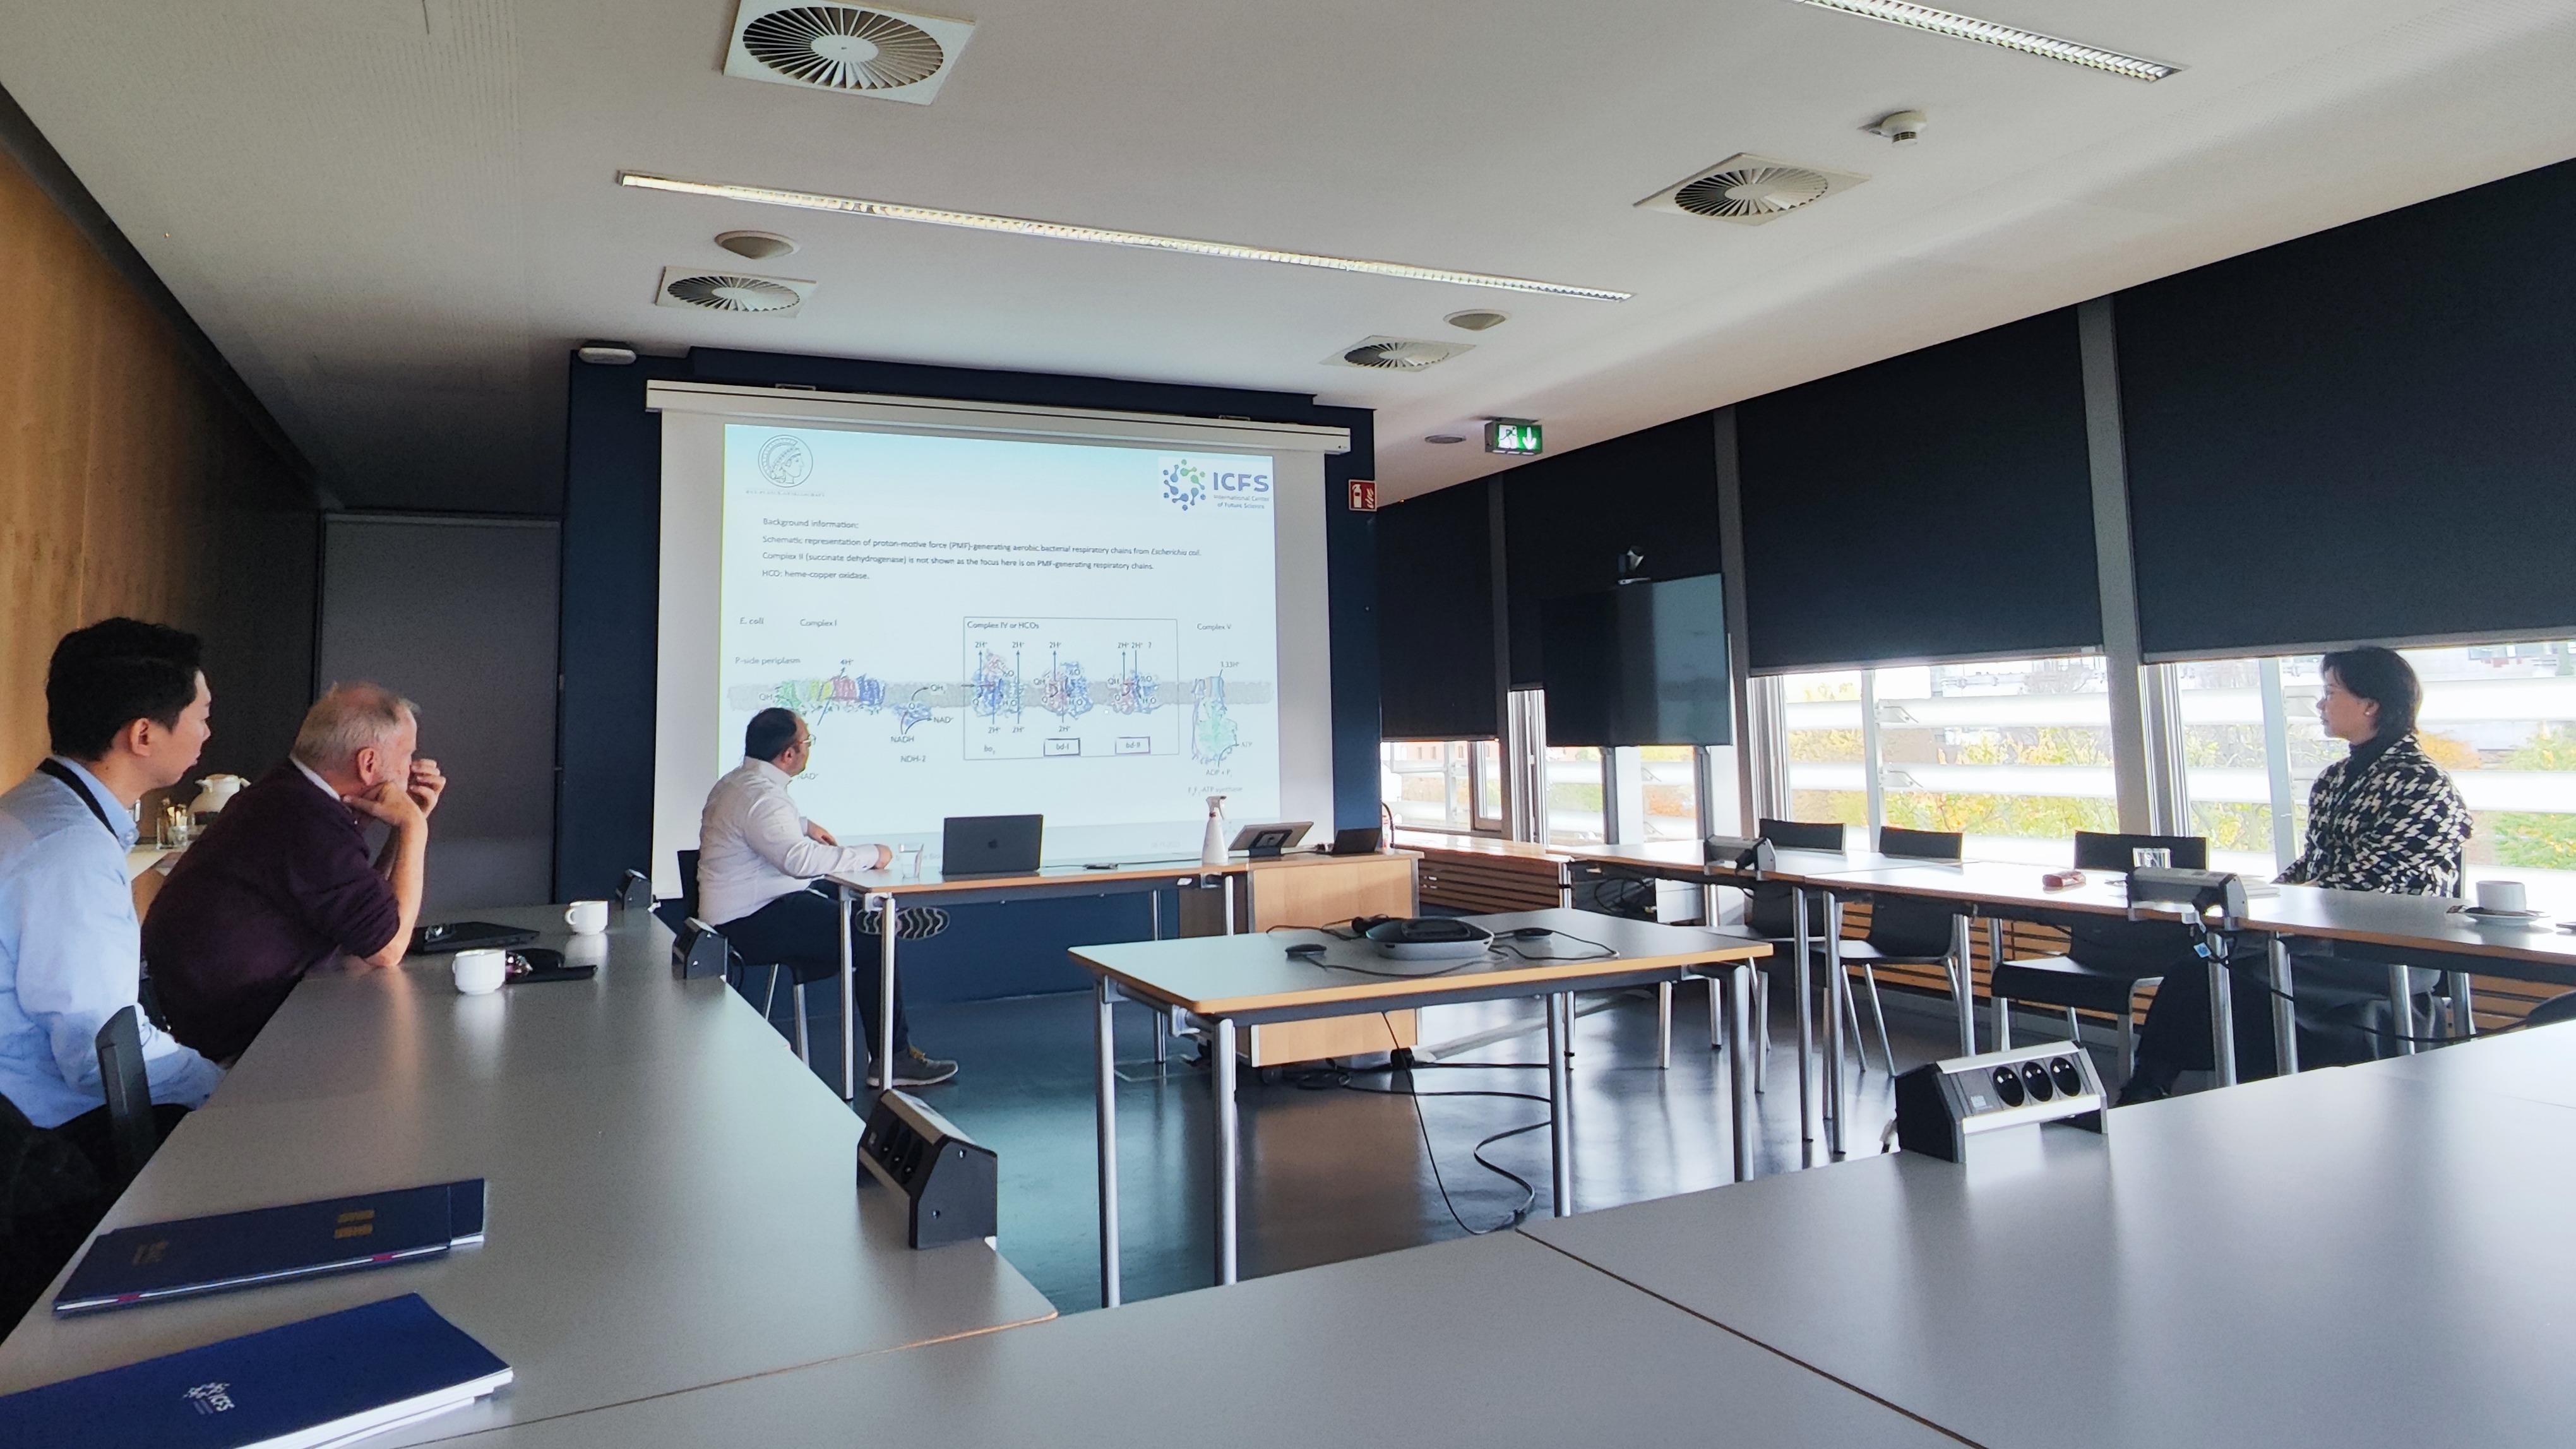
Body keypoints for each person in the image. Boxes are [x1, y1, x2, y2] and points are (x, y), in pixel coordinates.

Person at [2120, 647, 2469, 1102]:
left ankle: (2152, 1090)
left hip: (2384, 950)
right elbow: (2313, 863)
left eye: (2331, 692)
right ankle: (2151, 1088)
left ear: (2371, 704)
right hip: (2318, 940)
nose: (2321, 704)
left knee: (2221, 972)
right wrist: (2258, 894)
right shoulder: (2334, 778)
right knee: (2203, 965)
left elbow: (2375, 878)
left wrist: (2289, 902)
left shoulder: (2423, 784)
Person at [0, 619, 225, 1176]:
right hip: (42, 1150)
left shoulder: (36, 809)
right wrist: (223, 1084)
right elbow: (101, 1056)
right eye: (201, 715)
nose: (207, 733)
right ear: (143, 735)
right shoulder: (70, 850)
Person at [143, 684, 445, 1064]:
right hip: (242, 1051)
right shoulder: (307, 821)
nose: (413, 769)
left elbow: (365, 924)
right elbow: (387, 948)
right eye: (407, 756)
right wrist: (416, 828)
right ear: (368, 764)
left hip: (234, 1021)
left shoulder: (288, 795)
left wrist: (403, 829)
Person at [699, 708, 956, 1087]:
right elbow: (798, 861)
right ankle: (893, 1059)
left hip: (746, 910)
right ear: (789, 754)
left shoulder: (736, 783)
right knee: (874, 943)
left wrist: (803, 825)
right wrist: (872, 853)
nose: (808, 748)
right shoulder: (763, 798)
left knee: (840, 900)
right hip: (751, 922)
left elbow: (757, 828)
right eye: (807, 741)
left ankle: (870, 920)